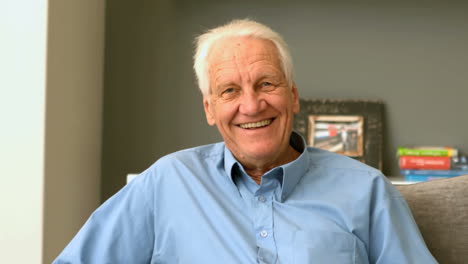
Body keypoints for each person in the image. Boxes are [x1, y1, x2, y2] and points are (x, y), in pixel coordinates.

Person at [54, 19, 437, 264]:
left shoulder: (365, 189)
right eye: (230, 91)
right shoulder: (165, 183)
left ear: (293, 95)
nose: (252, 105)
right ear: (209, 108)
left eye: (266, 84)